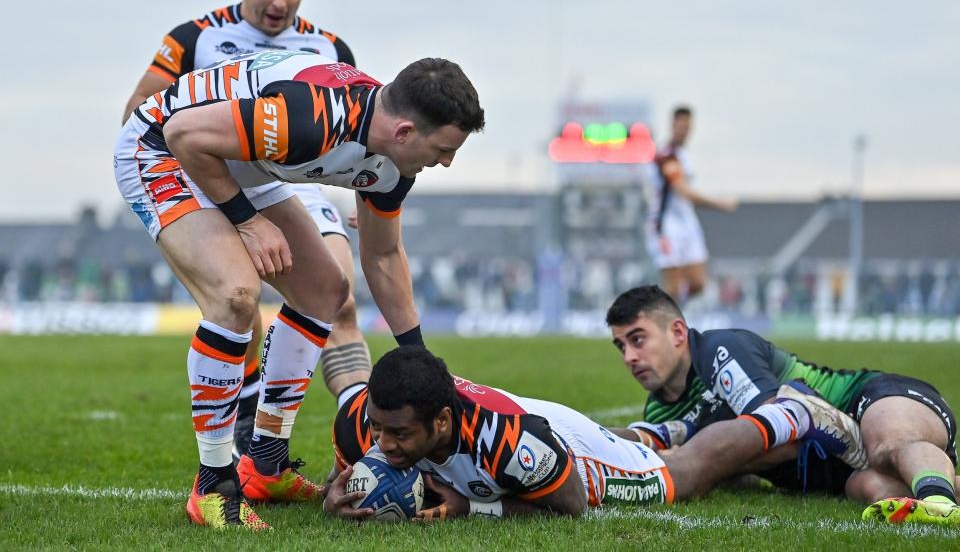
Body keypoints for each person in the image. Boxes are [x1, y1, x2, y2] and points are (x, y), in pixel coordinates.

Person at [114, 51, 484, 529]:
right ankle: (214, 485)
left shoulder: (393, 163)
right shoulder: (313, 118)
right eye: (444, 148)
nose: (448, 162)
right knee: (235, 297)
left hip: (240, 162)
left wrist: (419, 358)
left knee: (326, 289)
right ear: (405, 132)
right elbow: (184, 134)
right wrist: (247, 222)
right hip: (162, 146)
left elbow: (383, 255)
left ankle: (265, 464)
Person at [122, 0, 372, 462]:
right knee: (241, 297)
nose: (280, 3)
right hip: (209, 173)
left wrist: (365, 193)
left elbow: (357, 130)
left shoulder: (328, 47)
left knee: (336, 298)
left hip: (294, 183)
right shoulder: (194, 38)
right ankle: (245, 430)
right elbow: (137, 115)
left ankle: (359, 429)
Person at [322, 346, 866, 520]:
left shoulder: (509, 444)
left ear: (442, 422)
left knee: (684, 475)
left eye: (398, 435)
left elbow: (575, 505)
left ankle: (791, 414)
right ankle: (661, 429)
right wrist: (336, 494)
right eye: (377, 430)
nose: (382, 445)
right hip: (542, 427)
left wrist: (474, 508)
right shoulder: (372, 420)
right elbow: (348, 380)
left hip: (571, 461)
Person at [605, 285, 960, 526]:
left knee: (888, 447)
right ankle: (942, 488)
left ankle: (939, 505)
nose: (630, 357)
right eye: (621, 347)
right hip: (835, 471)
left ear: (678, 333)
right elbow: (740, 475)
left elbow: (782, 435)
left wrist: (699, 460)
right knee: (872, 490)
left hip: (865, 400)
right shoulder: (658, 412)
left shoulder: (719, 352)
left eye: (638, 340)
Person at [643, 106, 736, 301]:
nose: (684, 130)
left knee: (698, 283)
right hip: (667, 225)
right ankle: (659, 321)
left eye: (687, 126)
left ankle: (665, 312)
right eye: (680, 125)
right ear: (672, 125)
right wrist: (719, 203)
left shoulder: (684, 156)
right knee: (673, 286)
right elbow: (683, 190)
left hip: (687, 222)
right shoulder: (666, 155)